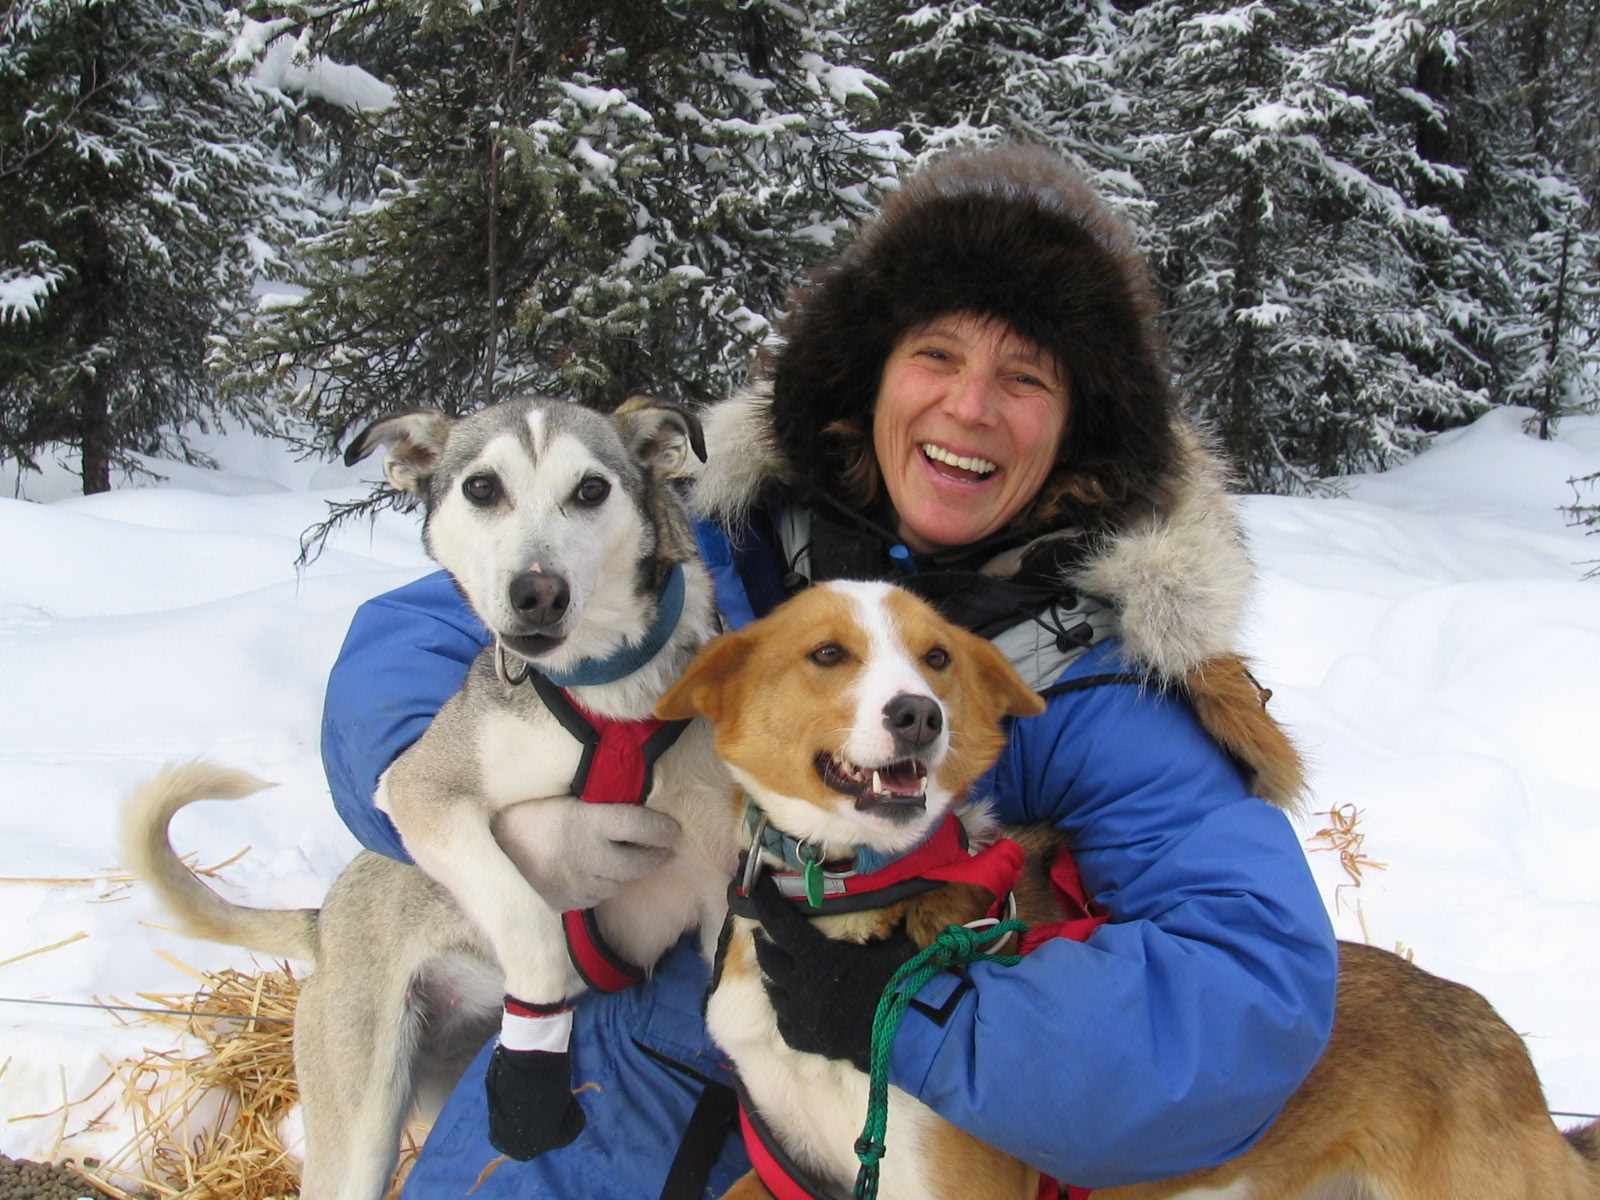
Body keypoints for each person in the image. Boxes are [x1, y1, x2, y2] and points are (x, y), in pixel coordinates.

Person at [321, 143, 1338, 1198]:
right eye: (937, 355)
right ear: (870, 368)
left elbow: (1248, 995)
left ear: (1082, 427)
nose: (970, 407)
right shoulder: (725, 538)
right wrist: (451, 788)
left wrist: (919, 1013)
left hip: (858, 1139)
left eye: (1026, 377)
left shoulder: (1102, 682)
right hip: (594, 1088)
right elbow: (425, 640)